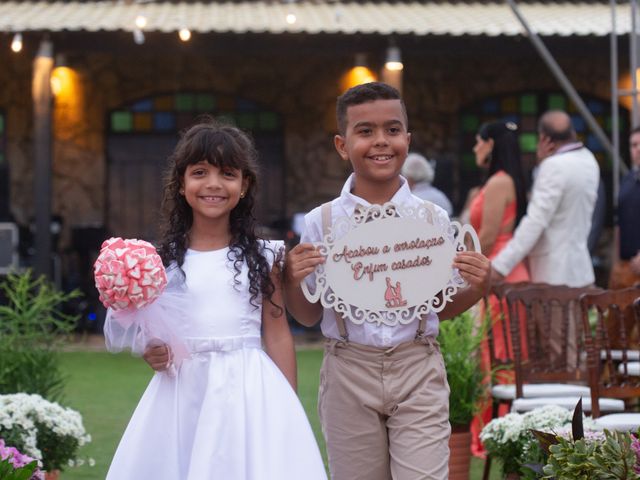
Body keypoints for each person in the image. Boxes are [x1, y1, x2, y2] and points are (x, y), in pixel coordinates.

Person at [284, 82, 491, 480]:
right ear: (342, 145)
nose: (381, 142)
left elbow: (438, 305)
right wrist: (294, 282)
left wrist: (477, 287)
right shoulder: (322, 222)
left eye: (392, 130)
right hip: (349, 367)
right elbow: (309, 315)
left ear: (407, 140)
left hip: (417, 362)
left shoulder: (432, 219)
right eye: (365, 131)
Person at [105, 120, 327, 480]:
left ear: (244, 185)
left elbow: (277, 333)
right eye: (199, 172)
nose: (213, 184)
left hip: (247, 386)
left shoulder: (265, 256)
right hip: (182, 390)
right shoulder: (159, 262)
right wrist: (153, 350)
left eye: (227, 173)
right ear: (181, 184)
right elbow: (155, 331)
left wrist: (286, 407)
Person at [491, 110, 600, 366]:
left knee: (557, 355)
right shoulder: (589, 160)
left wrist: (500, 265)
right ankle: (579, 402)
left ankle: (567, 404)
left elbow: (536, 222)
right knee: (573, 350)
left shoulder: (554, 167)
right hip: (579, 271)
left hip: (553, 275)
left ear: (545, 139)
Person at [468, 120, 530, 457]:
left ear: (490, 143)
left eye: (478, 141)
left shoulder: (497, 182)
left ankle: (499, 430)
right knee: (503, 351)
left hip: (497, 271)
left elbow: (487, 237)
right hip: (510, 270)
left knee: (497, 354)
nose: (475, 148)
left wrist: (466, 272)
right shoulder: (509, 180)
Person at [609, 126, 640, 290]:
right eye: (633, 145)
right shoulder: (627, 180)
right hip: (626, 269)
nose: (638, 149)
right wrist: (616, 262)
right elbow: (619, 224)